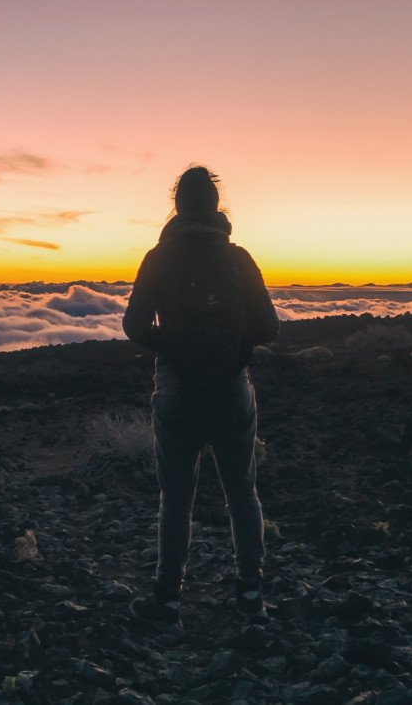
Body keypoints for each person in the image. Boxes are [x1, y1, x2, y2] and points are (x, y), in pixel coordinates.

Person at [122, 165, 280, 627]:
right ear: (216, 207)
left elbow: (134, 326)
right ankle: (251, 595)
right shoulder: (239, 259)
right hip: (233, 390)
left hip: (176, 391)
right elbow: (269, 328)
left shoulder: (159, 258)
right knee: (242, 492)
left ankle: (167, 602)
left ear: (177, 206)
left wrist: (172, 348)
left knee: (176, 498)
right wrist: (234, 352)